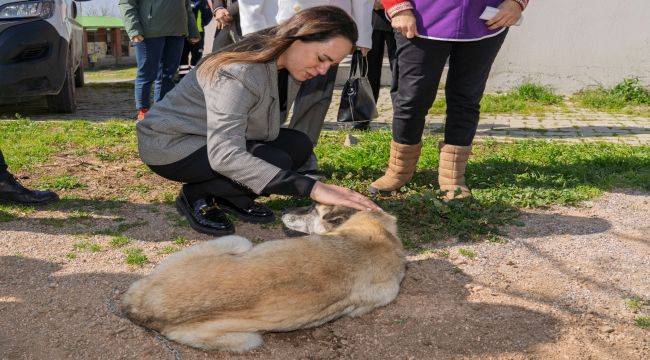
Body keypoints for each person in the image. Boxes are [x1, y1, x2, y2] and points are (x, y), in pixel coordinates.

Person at [136, 6, 381, 236]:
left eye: (332, 64)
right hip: (171, 143)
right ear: (297, 37)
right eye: (321, 58)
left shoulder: (289, 62)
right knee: (276, 160)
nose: (323, 71)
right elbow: (225, 155)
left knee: (299, 145)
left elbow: (264, 127)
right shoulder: (239, 71)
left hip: (209, 137)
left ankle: (226, 196)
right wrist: (313, 188)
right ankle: (196, 194)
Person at [369, 0, 529, 201]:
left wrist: (516, 2)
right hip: (420, 16)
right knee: (412, 99)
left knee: (466, 100)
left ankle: (452, 177)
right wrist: (397, 5)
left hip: (485, 19)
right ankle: (398, 171)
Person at [238, 1, 374, 173]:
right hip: (287, 24)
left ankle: (303, 154)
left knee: (317, 96)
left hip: (336, 26)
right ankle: (259, 148)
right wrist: (254, 25)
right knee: (274, 96)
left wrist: (361, 34)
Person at [119, 0, 201, 121]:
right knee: (147, 73)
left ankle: (162, 110)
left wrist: (192, 29)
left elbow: (186, 5)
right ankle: (143, 110)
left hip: (177, 30)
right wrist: (134, 28)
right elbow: (126, 3)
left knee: (168, 75)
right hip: (149, 31)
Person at [360, 0, 397, 131]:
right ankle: (363, 118)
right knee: (368, 73)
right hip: (370, 16)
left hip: (398, 14)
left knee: (399, 71)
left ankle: (401, 118)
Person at [178, 0, 214, 78]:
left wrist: (201, 24)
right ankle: (184, 77)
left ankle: (192, 77)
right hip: (184, 33)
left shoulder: (202, 2)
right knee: (184, 56)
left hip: (197, 33)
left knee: (195, 56)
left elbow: (208, 15)